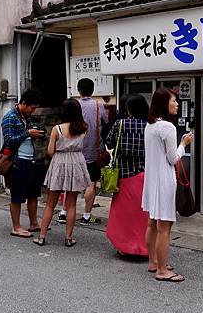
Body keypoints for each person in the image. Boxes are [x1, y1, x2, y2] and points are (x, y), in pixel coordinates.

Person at [142, 88, 193, 283]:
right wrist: (184, 143)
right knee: (164, 226)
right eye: (174, 101)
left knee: (152, 223)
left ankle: (153, 262)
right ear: (165, 103)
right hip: (164, 180)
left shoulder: (150, 125)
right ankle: (162, 270)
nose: (177, 104)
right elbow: (173, 158)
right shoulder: (168, 128)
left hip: (152, 180)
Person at [34, 98, 90, 247]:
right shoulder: (84, 127)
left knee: (50, 204)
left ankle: (42, 236)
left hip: (59, 163)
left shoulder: (57, 129)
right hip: (76, 162)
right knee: (71, 204)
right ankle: (68, 238)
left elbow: (50, 151)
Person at [57, 78, 108, 226]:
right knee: (91, 182)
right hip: (93, 150)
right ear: (92, 90)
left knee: (70, 182)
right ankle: (86, 215)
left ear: (79, 90)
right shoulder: (99, 106)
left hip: (73, 150)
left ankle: (63, 213)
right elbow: (105, 123)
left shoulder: (73, 104)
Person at [105, 94, 149, 257]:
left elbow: (109, 143)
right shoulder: (150, 126)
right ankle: (145, 247)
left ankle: (125, 247)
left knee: (124, 214)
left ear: (129, 109)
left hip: (124, 174)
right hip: (146, 175)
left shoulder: (120, 124)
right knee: (143, 214)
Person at [1, 89, 45, 238]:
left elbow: (30, 134)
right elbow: (8, 141)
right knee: (17, 195)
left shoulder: (27, 117)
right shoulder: (10, 117)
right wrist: (28, 133)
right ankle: (16, 227)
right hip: (17, 162)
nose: (33, 111)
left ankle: (34, 223)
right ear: (24, 103)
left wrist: (38, 133)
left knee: (33, 194)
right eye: (32, 108)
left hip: (32, 159)